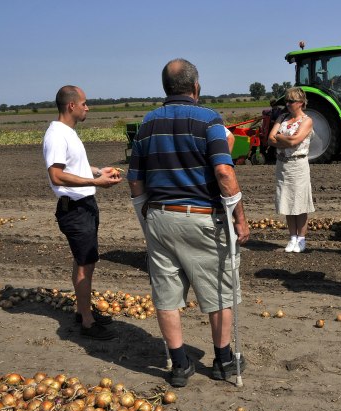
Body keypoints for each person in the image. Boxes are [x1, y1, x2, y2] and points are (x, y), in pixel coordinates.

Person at [127, 59, 250, 387]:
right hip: (200, 218)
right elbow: (224, 172)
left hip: (159, 217)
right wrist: (239, 218)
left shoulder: (147, 124)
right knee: (219, 291)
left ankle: (179, 365)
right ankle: (224, 361)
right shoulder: (209, 119)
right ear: (196, 87)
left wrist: (145, 216)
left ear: (166, 88)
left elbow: (135, 179)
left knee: (166, 292)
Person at [42, 85, 123, 340]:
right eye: (85, 103)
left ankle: (82, 310)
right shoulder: (56, 135)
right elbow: (56, 175)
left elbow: (75, 166)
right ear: (71, 106)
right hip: (75, 210)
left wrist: (98, 171)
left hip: (84, 206)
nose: (88, 107)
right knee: (85, 266)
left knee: (83, 261)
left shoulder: (68, 133)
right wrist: (96, 183)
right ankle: (87, 323)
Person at [268, 87, 315, 253]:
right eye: (287, 101)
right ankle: (292, 237)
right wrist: (284, 140)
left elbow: (295, 141)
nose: (288, 104)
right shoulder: (282, 117)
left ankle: (301, 238)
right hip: (282, 165)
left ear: (301, 103)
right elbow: (270, 138)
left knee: (300, 202)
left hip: (298, 165)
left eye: (291, 101)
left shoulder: (307, 121)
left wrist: (280, 138)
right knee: (287, 201)